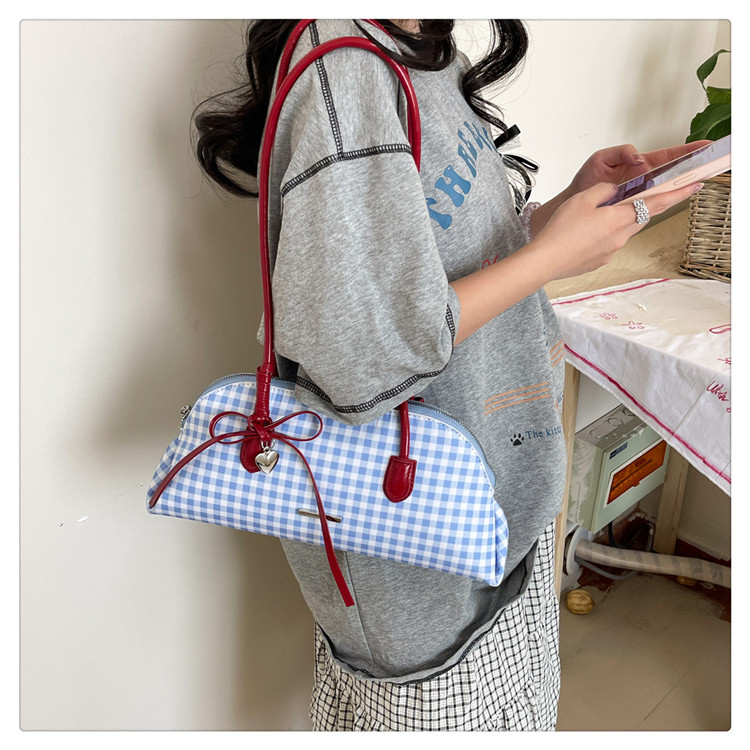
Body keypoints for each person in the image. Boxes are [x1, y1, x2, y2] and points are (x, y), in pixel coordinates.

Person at [194, 19, 706, 731]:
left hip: (502, 498)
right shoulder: (346, 71)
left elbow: (438, 270)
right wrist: (550, 258)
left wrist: (563, 215)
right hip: (422, 556)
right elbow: (359, 357)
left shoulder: (426, 47)